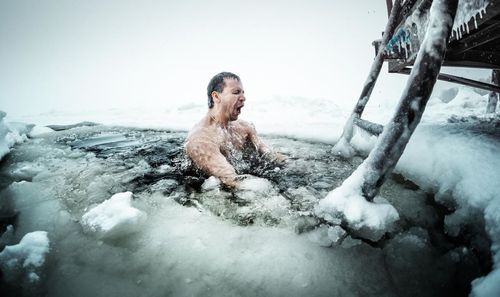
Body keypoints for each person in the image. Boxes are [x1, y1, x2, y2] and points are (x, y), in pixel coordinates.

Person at [185, 72, 286, 187]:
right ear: (216, 96)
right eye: (236, 92)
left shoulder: (243, 127)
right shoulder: (201, 140)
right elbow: (230, 180)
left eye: (243, 93)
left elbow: (269, 154)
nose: (243, 98)